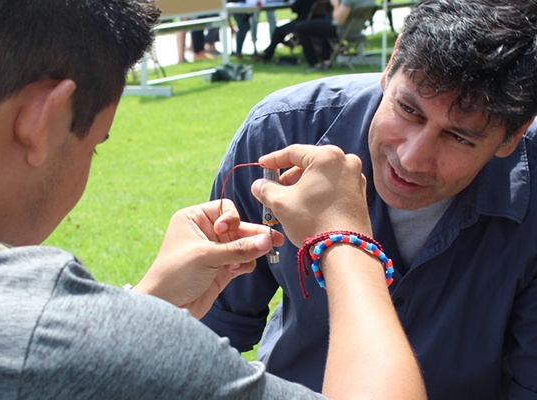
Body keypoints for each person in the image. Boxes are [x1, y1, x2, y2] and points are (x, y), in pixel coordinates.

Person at [0, 0, 427, 398]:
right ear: (42, 120)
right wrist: (344, 241)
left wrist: (146, 303)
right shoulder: (48, 336)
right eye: (98, 142)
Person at [201, 0, 537, 398]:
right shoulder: (282, 130)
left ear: (513, 135)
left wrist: (340, 243)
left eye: (459, 137)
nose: (412, 159)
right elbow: (210, 333)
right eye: (408, 109)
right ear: (392, 63)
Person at [295, 0, 376, 71]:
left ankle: (314, 64)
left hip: (342, 31)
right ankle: (326, 59)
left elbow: (338, 21)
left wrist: (335, 4)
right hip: (357, 31)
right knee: (324, 25)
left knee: (300, 28)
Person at [253, 0, 325, 63]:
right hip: (317, 21)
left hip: (302, 23)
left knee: (278, 30)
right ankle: (267, 52)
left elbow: (294, 8)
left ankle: (267, 55)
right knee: (281, 31)